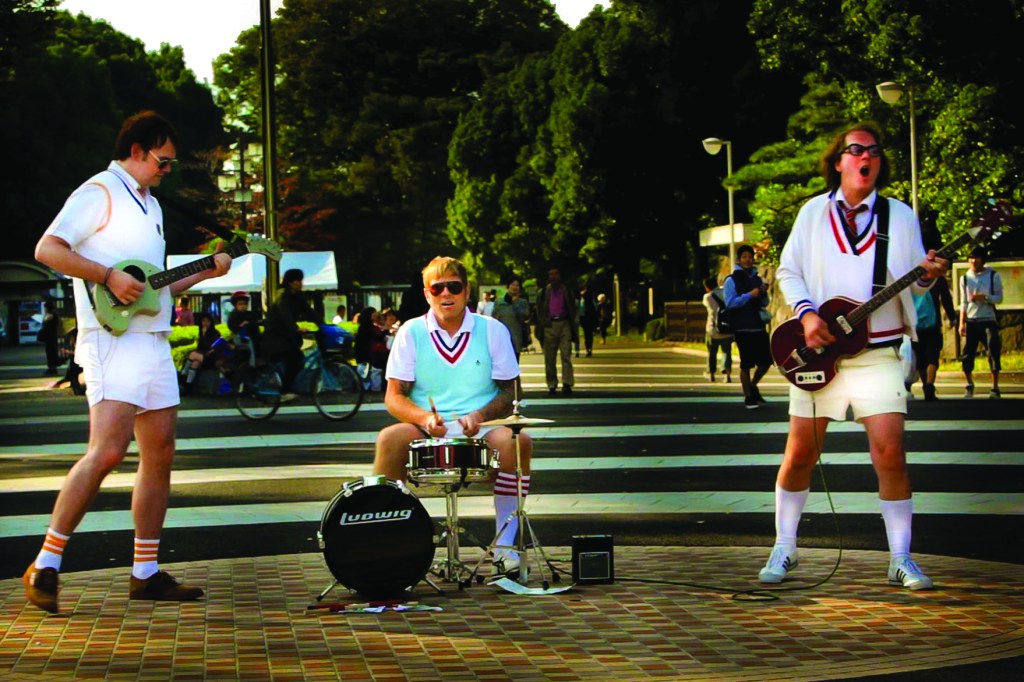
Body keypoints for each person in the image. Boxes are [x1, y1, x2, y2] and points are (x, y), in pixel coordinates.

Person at [28, 110, 233, 613]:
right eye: (163, 160)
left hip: (151, 338)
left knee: (159, 453)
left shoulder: (152, 204)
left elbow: (151, 287)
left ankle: (145, 573)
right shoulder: (98, 190)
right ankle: (45, 563)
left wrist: (207, 270)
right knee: (107, 451)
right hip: (110, 339)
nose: (168, 169)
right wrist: (105, 276)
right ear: (138, 150)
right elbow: (47, 248)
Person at [762, 122, 948, 591]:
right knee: (801, 452)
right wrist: (806, 315)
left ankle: (901, 558)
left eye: (874, 151)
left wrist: (928, 276)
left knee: (890, 453)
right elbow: (789, 269)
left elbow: (915, 282)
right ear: (839, 160)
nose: (867, 157)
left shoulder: (899, 216)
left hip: (879, 350)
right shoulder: (812, 213)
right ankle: (784, 547)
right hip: (819, 352)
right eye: (856, 150)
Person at [372, 256, 531, 576]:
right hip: (429, 427)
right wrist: (424, 418)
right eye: (438, 287)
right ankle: (393, 540)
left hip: (483, 426)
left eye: (454, 287)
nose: (447, 294)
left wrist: (480, 415)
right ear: (427, 293)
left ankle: (505, 545)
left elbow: (512, 392)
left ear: (467, 290)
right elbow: (393, 396)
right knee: (389, 439)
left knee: (519, 440)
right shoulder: (411, 332)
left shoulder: (492, 330)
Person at [724, 244, 772, 408]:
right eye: (744, 257)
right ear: (739, 259)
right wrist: (749, 295)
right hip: (742, 327)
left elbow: (765, 303)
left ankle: (753, 385)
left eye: (750, 257)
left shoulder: (757, 279)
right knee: (746, 364)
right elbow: (730, 303)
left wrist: (763, 294)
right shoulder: (731, 280)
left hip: (758, 325)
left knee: (766, 361)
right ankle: (748, 396)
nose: (748, 260)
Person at [262, 269, 315, 392]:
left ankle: (287, 387)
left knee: (297, 359)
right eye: (298, 281)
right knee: (295, 359)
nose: (301, 284)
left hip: (286, 337)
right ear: (291, 283)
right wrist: (296, 328)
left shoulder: (297, 296)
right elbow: (285, 315)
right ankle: (285, 391)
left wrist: (322, 324)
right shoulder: (283, 295)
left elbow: (308, 311)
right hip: (275, 337)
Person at [959, 248, 1003, 398]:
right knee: (967, 354)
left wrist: (984, 297)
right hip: (971, 320)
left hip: (988, 320)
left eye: (976, 258)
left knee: (993, 351)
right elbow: (963, 302)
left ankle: (995, 386)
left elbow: (999, 298)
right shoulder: (965, 278)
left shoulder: (993, 276)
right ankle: (969, 383)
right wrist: (961, 323)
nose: (973, 261)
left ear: (983, 260)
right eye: (970, 258)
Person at [910, 274, 955, 401]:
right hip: (933, 325)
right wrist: (952, 317)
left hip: (914, 325)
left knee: (921, 358)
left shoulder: (910, 278)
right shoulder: (938, 279)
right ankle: (930, 385)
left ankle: (925, 385)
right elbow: (946, 299)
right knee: (932, 356)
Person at [537, 266, 578, 395]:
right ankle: (552, 384)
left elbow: (573, 308)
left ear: (560, 276)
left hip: (564, 323)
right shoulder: (543, 292)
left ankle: (567, 383)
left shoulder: (566, 290)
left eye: (556, 274)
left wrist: (574, 323)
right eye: (551, 275)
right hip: (550, 324)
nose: (553, 277)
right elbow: (539, 310)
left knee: (566, 355)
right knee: (550, 358)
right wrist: (543, 323)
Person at [181, 312, 225, 392]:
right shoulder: (201, 332)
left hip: (211, 359)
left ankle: (183, 375)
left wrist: (204, 335)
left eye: (207, 321)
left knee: (192, 355)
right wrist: (203, 335)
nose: (205, 323)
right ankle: (188, 385)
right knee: (195, 364)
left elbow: (212, 348)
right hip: (203, 357)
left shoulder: (215, 333)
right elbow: (200, 348)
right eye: (203, 321)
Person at [701, 276, 733, 383]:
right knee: (726, 352)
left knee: (711, 352)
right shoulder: (726, 293)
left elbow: (708, 307)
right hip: (727, 328)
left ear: (707, 287)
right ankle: (727, 375)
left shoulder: (707, 297)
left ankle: (711, 374)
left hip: (712, 328)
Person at [493, 275, 530, 361]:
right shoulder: (499, 302)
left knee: (514, 366)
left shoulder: (522, 302)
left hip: (516, 338)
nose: (515, 287)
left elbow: (524, 316)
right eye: (512, 284)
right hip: (501, 338)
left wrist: (515, 303)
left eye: (517, 285)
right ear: (508, 286)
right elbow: (494, 319)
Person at [40, 300, 61, 376]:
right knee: (51, 352)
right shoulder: (54, 314)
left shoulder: (51, 315)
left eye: (45, 308)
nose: (45, 309)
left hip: (50, 337)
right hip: (52, 336)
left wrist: (45, 315)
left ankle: (52, 368)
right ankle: (52, 367)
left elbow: (45, 321)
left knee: (50, 352)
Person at [577, 285, 598, 358]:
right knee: (590, 335)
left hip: (585, 320)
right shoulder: (592, 303)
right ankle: (590, 348)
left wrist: (580, 321)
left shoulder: (582, 303)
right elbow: (596, 312)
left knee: (586, 335)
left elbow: (580, 313)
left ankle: (587, 349)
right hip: (591, 320)